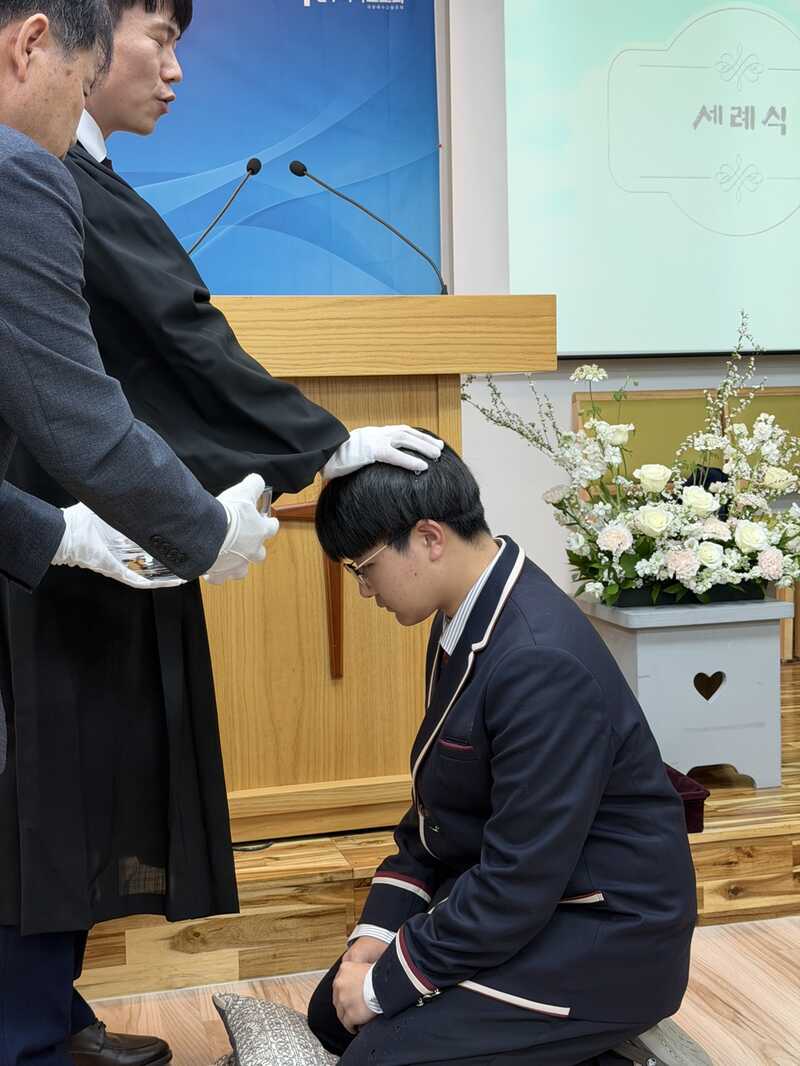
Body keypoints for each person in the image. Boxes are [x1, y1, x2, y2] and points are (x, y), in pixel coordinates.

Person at [0, 3, 443, 1065]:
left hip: (56, 523)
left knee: (67, 794)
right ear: (39, 41)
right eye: (154, 36)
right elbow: (142, 368)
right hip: (50, 533)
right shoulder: (31, 172)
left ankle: (44, 1011)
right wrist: (297, 464)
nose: (170, 69)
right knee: (39, 797)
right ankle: (25, 1027)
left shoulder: (59, 171)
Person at [307, 443, 705, 1066]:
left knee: (376, 1053)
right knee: (332, 1016)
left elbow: (521, 879)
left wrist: (384, 984)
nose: (363, 590)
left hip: (606, 934)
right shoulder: (465, 613)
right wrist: (373, 938)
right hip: (533, 897)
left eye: (365, 567)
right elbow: (438, 814)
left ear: (429, 538)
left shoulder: (538, 658)